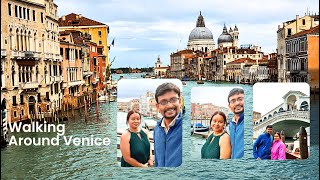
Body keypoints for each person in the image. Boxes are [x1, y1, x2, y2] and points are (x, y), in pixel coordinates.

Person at [153, 82, 182, 167]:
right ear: (158, 107)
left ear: (180, 101)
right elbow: (157, 161)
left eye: (173, 100)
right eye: (163, 102)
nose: (169, 105)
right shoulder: (156, 130)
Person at [227, 88, 244, 159]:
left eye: (240, 99)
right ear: (229, 106)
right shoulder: (231, 124)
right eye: (233, 101)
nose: (237, 103)